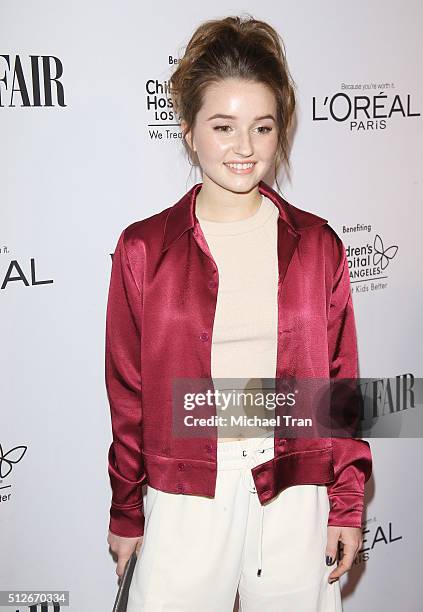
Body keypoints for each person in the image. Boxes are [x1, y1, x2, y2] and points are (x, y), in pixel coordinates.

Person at [106, 14, 372, 611]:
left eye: (262, 126)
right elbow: (129, 396)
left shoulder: (318, 246)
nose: (244, 148)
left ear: (282, 132)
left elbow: (341, 388)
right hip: (183, 494)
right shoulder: (144, 251)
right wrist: (127, 511)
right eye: (223, 126)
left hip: (294, 489)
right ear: (189, 129)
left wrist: (345, 503)